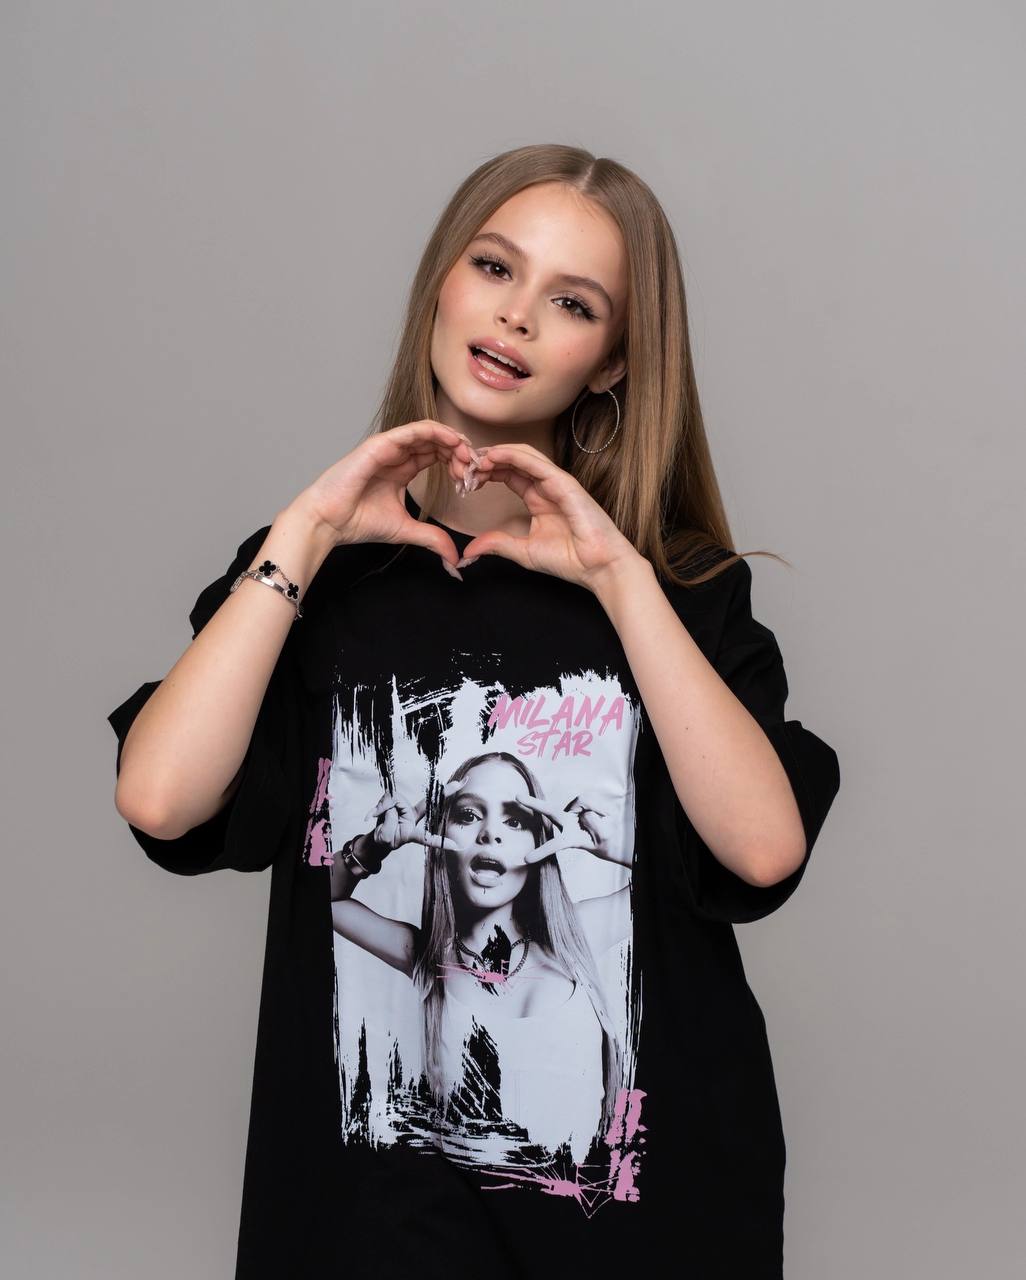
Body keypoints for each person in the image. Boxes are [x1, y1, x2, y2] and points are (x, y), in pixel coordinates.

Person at [108, 143, 841, 1279]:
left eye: (574, 303)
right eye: (495, 267)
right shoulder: (315, 581)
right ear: (441, 284)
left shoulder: (674, 589)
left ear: (612, 362)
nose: (517, 316)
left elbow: (761, 848)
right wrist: (306, 531)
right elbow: (161, 798)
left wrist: (619, 577)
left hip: (639, 1232)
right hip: (372, 1232)